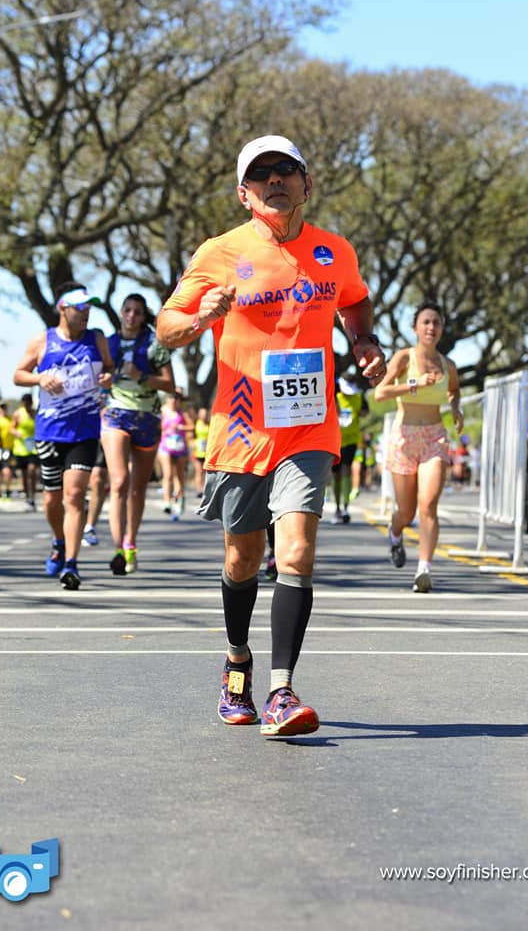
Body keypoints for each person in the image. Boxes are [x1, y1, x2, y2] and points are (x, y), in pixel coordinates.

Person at [157, 133, 385, 736]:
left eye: (286, 171)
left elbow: (355, 303)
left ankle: (283, 692)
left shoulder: (335, 252)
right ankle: (238, 661)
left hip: (309, 425)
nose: (275, 181)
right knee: (243, 559)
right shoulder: (220, 253)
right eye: (261, 176)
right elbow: (167, 325)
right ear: (244, 194)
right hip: (240, 428)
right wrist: (201, 316)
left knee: (298, 552)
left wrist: (363, 340)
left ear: (307, 184)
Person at [13, 281, 114, 590]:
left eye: (89, 308)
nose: (86, 314)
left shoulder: (96, 339)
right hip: (49, 432)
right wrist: (39, 378)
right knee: (51, 499)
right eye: (80, 308)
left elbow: (110, 369)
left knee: (74, 495)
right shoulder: (43, 341)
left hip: (84, 431)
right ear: (63, 309)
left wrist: (108, 378)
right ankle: (58, 540)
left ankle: (70, 564)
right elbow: (18, 375)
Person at [374, 300, 463, 593]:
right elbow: (380, 393)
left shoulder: (448, 365)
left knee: (429, 504)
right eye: (425, 322)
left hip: (434, 438)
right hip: (404, 438)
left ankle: (424, 568)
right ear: (415, 328)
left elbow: (453, 392)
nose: (431, 327)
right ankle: (396, 532)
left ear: (442, 329)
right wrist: (415, 385)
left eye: (436, 322)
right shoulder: (403, 358)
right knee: (406, 512)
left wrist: (457, 410)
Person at [101, 292, 174, 574]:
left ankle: (132, 541)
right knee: (119, 481)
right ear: (121, 312)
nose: (131, 316)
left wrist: (141, 376)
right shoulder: (107, 344)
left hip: (147, 419)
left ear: (144, 317)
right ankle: (118, 548)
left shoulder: (155, 344)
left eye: (138, 312)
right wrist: (104, 382)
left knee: (137, 488)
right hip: (115, 415)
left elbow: (170, 384)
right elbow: (97, 379)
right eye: (127, 310)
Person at [330, 366, 364, 524]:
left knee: (346, 471)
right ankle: (336, 507)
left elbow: (365, 411)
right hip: (334, 439)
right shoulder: (333, 395)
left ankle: (345, 507)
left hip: (350, 440)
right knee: (336, 474)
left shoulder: (358, 397)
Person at [156, 390, 193, 520]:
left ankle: (180, 498)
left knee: (179, 475)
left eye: (175, 399)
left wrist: (181, 428)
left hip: (180, 447)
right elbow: (156, 425)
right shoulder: (163, 411)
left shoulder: (182, 413)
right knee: (168, 474)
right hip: (165, 446)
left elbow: (191, 426)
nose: (172, 401)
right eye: (170, 398)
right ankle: (167, 501)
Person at [11, 393, 39, 510]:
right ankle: (27, 496)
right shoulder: (18, 414)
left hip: (33, 448)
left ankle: (32, 497)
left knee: (32, 471)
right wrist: (16, 432)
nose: (27, 405)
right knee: (23, 474)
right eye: (25, 403)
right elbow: (11, 428)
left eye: (29, 402)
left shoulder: (36, 413)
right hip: (21, 448)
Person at [82, 444, 108, 546]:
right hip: (73, 435)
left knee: (98, 477)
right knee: (74, 488)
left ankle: (89, 527)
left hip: (98, 434)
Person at [0, 401, 15, 499]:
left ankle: (7, 490)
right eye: (1, 407)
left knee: (7, 471)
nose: (3, 409)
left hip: (8, 448)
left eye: (4, 407)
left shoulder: (11, 419)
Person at [193, 407, 210, 497]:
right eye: (202, 413)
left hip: (206, 452)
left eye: (205, 414)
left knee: (205, 472)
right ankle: (199, 489)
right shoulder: (196, 423)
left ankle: (204, 489)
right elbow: (191, 436)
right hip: (197, 451)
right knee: (198, 471)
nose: (204, 415)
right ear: (199, 415)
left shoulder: (209, 424)